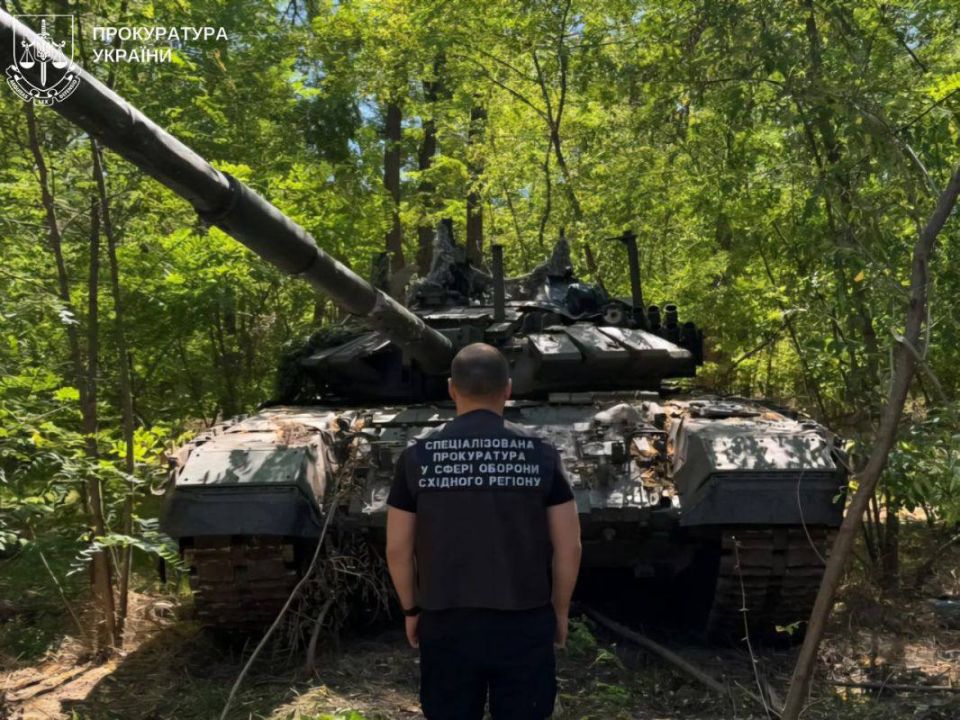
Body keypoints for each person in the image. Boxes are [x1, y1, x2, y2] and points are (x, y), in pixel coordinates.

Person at [386, 342, 581, 720]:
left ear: (451, 389)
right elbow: (569, 546)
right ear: (507, 389)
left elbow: (397, 548)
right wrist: (558, 612)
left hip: (445, 621)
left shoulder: (417, 455)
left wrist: (411, 610)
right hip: (525, 620)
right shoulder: (540, 453)